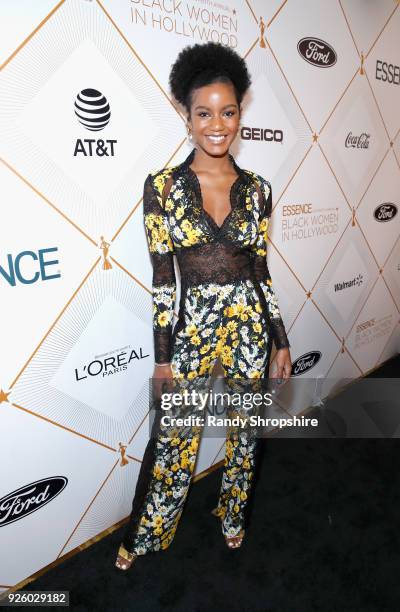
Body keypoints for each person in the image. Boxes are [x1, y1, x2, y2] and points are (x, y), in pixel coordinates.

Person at [115, 41, 292, 571]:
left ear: (240, 111)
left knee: (246, 431)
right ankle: (146, 533)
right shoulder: (163, 189)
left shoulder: (259, 190)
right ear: (186, 115)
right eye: (204, 112)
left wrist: (280, 338)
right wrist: (163, 356)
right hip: (189, 330)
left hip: (250, 328)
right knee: (174, 439)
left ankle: (233, 515)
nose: (219, 124)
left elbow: (260, 267)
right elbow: (163, 278)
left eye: (229, 111)